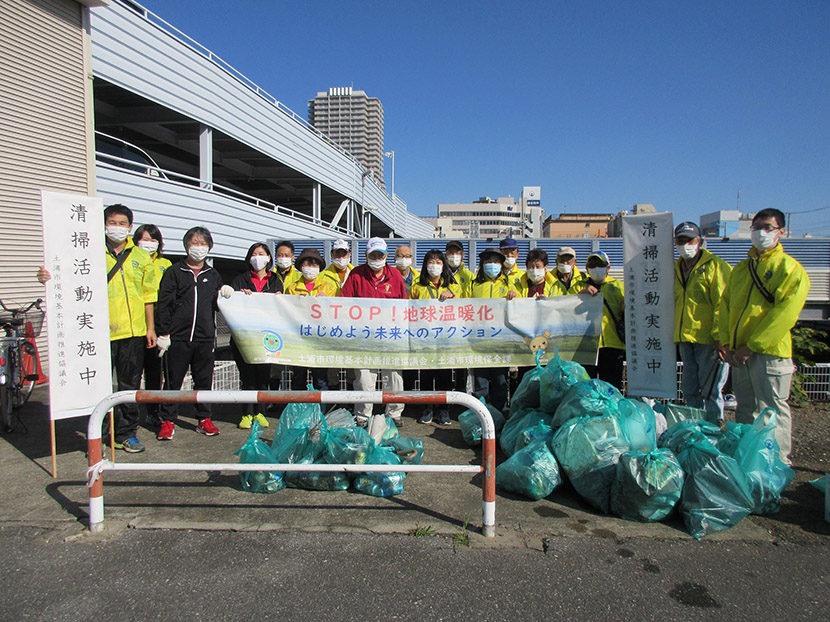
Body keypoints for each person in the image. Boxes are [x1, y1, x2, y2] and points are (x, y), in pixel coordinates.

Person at [38, 204, 158, 452]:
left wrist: (150, 328)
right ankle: (99, 434)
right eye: (112, 222)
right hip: (97, 331)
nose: (117, 227)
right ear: (103, 225)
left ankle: (126, 433)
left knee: (129, 386)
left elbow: (148, 296)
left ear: (130, 227)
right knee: (99, 387)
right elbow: (67, 277)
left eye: (122, 223)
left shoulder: (141, 257)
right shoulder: (88, 253)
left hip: (134, 331)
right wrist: (48, 277)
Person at [720, 208, 810, 465]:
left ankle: (777, 462)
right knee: (746, 409)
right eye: (756, 227)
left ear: (781, 232)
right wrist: (727, 342)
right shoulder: (741, 269)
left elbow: (785, 314)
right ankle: (749, 459)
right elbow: (726, 306)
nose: (761, 232)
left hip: (769, 353)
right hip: (739, 353)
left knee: (773, 408)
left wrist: (752, 345)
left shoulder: (789, 269)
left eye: (768, 227)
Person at [155, 227, 226, 440]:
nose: (199, 247)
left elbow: (219, 303)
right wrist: (163, 333)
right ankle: (167, 420)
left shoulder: (213, 275)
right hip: (178, 338)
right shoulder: (174, 272)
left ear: (209, 247)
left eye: (203, 244)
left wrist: (226, 294)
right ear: (186, 246)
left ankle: (204, 419)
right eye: (194, 243)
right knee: (173, 381)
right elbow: (164, 304)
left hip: (204, 338)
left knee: (204, 381)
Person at [341, 237, 407, 427]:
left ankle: (394, 413)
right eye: (373, 255)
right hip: (363, 336)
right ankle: (363, 414)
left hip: (390, 335)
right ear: (366, 255)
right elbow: (344, 302)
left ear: (386, 255)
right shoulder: (356, 274)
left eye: (380, 255)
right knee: (363, 377)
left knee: (394, 376)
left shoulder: (395, 275)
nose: (377, 258)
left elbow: (403, 304)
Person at [673, 222, 732, 423]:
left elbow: (723, 304)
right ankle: (695, 429)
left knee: (711, 389)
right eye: (681, 240)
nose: (685, 244)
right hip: (684, 337)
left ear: (699, 241)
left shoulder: (716, 266)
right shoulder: (674, 268)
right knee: (689, 388)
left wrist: (720, 336)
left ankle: (714, 426)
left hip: (709, 339)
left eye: (690, 240)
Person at [229, 243, 283, 429]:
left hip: (268, 338)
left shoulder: (275, 280)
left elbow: (282, 306)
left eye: (261, 254)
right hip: (244, 338)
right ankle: (246, 413)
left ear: (269, 258)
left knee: (263, 376)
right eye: (254, 254)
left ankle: (260, 412)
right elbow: (231, 303)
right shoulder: (240, 279)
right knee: (246, 376)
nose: (257, 257)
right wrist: (239, 296)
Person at [409, 250, 462, 425]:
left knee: (445, 376)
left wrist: (452, 297)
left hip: (446, 340)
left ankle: (443, 409)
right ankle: (427, 408)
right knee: (425, 376)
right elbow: (409, 310)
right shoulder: (417, 286)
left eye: (438, 262)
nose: (434, 265)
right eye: (431, 261)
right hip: (424, 339)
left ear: (444, 265)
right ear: (425, 265)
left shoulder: (453, 286)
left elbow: (464, 307)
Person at [132, 223, 171, 427]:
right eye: (144, 239)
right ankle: (127, 413)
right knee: (132, 372)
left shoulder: (165, 264)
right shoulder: (129, 260)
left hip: (158, 322)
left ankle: (152, 411)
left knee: (154, 371)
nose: (149, 243)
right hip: (134, 322)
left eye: (153, 240)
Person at [572, 251, 626, 391]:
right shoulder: (577, 286)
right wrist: (579, 295)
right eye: (592, 264)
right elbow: (564, 308)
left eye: (600, 264)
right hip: (585, 346)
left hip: (613, 345)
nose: (596, 268)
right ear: (587, 268)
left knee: (611, 387)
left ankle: (611, 413)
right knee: (586, 388)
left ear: (608, 267)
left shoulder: (619, 287)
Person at [285, 248, 336, 391]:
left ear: (319, 268)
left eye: (314, 265)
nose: (310, 268)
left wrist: (326, 302)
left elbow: (336, 313)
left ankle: (320, 412)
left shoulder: (329, 288)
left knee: (320, 379)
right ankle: (298, 412)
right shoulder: (292, 288)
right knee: (298, 378)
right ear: (300, 266)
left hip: (320, 340)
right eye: (307, 264)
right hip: (299, 340)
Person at [469, 248, 511, 414]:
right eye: (488, 261)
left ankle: (499, 415)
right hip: (479, 341)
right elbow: (461, 303)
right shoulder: (474, 284)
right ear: (482, 264)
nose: (492, 265)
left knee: (500, 380)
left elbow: (523, 306)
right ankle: (481, 415)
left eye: (495, 261)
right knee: (480, 382)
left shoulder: (509, 285)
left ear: (501, 265)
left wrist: (516, 297)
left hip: (501, 340)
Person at [443, 240, 475, 393]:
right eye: (450, 252)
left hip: (463, 327)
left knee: (462, 365)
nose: (453, 255)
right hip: (442, 327)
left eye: (457, 252)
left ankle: (462, 399)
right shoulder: (439, 275)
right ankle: (444, 401)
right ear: (445, 255)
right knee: (445, 366)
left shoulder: (470, 277)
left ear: (463, 255)